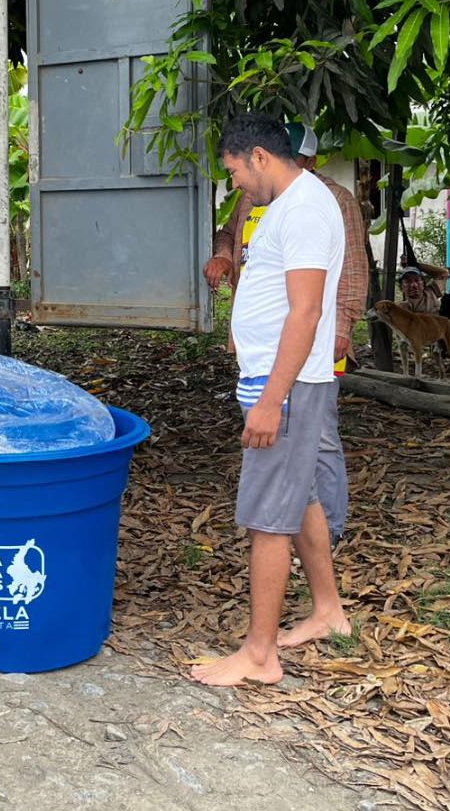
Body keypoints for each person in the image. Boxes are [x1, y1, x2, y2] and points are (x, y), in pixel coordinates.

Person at [191, 113, 351, 687]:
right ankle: (328, 610)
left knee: (268, 518)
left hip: (283, 387)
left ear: (259, 156)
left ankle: (260, 654)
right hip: (275, 381)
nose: (234, 182)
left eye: (235, 170)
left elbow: (306, 312)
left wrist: (270, 400)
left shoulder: (304, 209)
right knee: (299, 495)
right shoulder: (287, 205)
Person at [203, 122, 368, 544]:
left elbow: (350, 269)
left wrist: (342, 326)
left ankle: (332, 526)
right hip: (271, 352)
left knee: (320, 439)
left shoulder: (325, 201)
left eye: (298, 159)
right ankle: (318, 549)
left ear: (308, 161)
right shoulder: (260, 196)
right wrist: (223, 256)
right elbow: (230, 235)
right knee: (298, 468)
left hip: (306, 349)